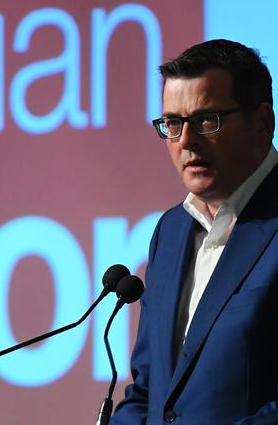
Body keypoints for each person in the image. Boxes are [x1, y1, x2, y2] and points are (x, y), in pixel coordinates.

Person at [111, 39, 278, 424]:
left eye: (207, 120)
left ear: (262, 123)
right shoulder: (169, 233)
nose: (186, 140)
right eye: (173, 123)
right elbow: (149, 392)